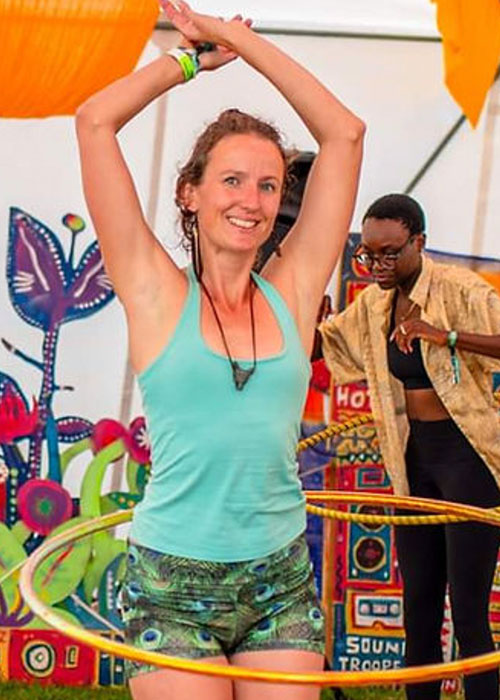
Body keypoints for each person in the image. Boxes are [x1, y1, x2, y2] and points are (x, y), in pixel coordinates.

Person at [75, 2, 365, 698]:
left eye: (268, 185)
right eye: (232, 180)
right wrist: (188, 61)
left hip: (279, 580)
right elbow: (93, 122)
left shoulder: (294, 288)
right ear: (190, 193)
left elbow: (345, 134)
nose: (252, 201)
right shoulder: (153, 290)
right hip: (170, 583)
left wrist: (239, 38)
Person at [320, 193, 500, 700]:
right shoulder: (374, 304)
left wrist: (445, 336)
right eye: (368, 254)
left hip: (468, 461)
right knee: (418, 608)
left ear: (419, 242)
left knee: (467, 611)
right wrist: (306, 320)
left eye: (390, 253)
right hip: (414, 462)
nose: (377, 264)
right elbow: (329, 348)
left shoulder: (458, 289)